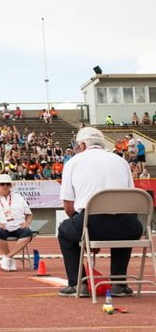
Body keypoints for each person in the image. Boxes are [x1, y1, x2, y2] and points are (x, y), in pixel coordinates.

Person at [57, 127, 143, 297]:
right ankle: (119, 284)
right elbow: (132, 199)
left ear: (82, 145)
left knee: (64, 231)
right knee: (123, 228)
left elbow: (68, 206)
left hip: (91, 223)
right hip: (129, 226)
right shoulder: (121, 161)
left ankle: (78, 284)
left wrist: (83, 233)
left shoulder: (73, 162)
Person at [0, 174, 34, 271]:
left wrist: (28, 222)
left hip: (18, 226)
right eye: (2, 184)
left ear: (10, 186)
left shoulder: (18, 197)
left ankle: (8, 257)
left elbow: (29, 214)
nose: (5, 186)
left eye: (7, 184)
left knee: (28, 233)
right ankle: (11, 259)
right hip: (1, 227)